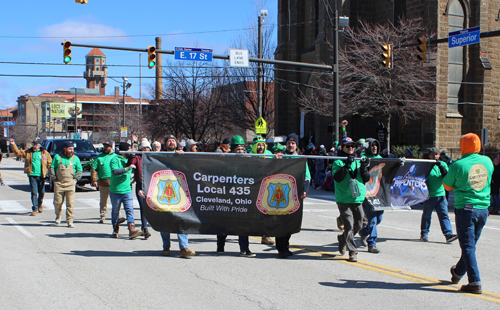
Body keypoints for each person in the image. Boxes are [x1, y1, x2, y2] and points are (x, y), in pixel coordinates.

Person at [443, 133, 493, 294]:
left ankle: (475, 282)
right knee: (470, 246)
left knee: (468, 246)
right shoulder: (487, 162)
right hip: (483, 209)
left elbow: (447, 186)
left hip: (466, 209)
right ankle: (457, 272)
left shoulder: (458, 165)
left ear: (463, 145)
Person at [154, 135, 195, 258]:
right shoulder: (159, 156)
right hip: (163, 191)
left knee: (181, 220)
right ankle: (166, 247)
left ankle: (184, 247)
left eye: (173, 140)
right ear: (165, 144)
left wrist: (181, 157)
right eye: (168, 141)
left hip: (179, 191)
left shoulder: (181, 155)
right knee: (165, 221)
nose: (171, 142)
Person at [331, 137, 370, 262]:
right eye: (347, 146)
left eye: (352, 146)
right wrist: (347, 164)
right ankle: (353, 251)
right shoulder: (338, 161)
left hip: (357, 198)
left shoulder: (358, 160)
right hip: (343, 198)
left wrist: (364, 167)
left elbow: (366, 179)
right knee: (348, 224)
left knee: (359, 224)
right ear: (342, 148)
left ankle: (342, 239)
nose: (351, 148)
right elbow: (337, 178)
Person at [217, 135, 256, 258]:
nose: (240, 151)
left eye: (241, 149)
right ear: (232, 149)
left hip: (242, 197)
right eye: (237, 149)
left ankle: (244, 249)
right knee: (224, 223)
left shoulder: (248, 161)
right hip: (227, 197)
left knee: (244, 224)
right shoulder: (224, 161)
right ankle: (220, 246)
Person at [275, 133, 311, 258]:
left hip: (295, 195)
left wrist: (305, 190)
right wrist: (274, 160)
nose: (291, 145)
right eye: (289, 143)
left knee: (291, 222)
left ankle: (286, 245)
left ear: (296, 145)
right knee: (281, 222)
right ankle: (281, 248)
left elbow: (307, 176)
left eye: (293, 143)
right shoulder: (280, 157)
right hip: (280, 195)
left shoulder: (301, 159)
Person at [420, 147, 458, 243]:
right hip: (429, 195)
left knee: (444, 215)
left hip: (441, 194)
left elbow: (446, 175)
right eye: (433, 154)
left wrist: (440, 165)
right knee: (427, 215)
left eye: (437, 154)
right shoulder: (426, 165)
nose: (435, 156)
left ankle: (448, 234)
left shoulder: (443, 164)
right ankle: (424, 233)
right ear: (429, 155)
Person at [10, 138, 52, 216]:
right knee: (34, 192)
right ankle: (35, 208)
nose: (34, 146)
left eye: (35, 145)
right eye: (33, 144)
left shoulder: (44, 153)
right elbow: (18, 153)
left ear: (39, 145)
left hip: (41, 175)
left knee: (42, 192)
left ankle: (40, 204)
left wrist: (50, 173)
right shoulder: (28, 152)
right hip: (32, 175)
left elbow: (50, 163)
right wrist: (13, 144)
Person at [109, 142, 142, 239]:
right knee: (115, 211)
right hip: (116, 190)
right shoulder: (115, 159)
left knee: (130, 210)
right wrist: (128, 168)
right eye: (129, 149)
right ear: (123, 151)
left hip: (127, 190)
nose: (130, 151)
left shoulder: (129, 160)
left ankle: (131, 229)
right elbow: (115, 172)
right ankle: (115, 228)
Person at [359, 138, 384, 253]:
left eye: (376, 145)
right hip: (367, 193)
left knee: (379, 219)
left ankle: (364, 232)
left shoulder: (380, 159)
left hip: (379, 193)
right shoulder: (362, 158)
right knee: (373, 219)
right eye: (372, 145)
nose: (374, 147)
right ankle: (372, 243)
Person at [250, 135, 275, 246]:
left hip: (266, 187)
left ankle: (265, 236)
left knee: (266, 212)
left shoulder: (269, 154)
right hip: (252, 188)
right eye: (258, 145)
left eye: (262, 144)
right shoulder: (249, 155)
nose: (260, 147)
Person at [50, 141, 82, 227]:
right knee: (57, 202)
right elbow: (52, 167)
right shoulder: (57, 157)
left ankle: (70, 220)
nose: (71, 151)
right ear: (65, 149)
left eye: (72, 149)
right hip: (59, 183)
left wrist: (76, 179)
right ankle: (58, 216)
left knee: (70, 203)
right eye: (69, 149)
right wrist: (54, 178)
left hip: (70, 184)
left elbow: (79, 170)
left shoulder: (75, 158)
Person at [91, 141, 121, 223]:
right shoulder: (99, 157)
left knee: (116, 200)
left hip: (114, 182)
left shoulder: (116, 157)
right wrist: (94, 180)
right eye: (104, 146)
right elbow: (94, 169)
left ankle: (118, 215)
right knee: (103, 200)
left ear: (111, 147)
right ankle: (103, 215)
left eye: (107, 146)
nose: (105, 148)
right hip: (103, 182)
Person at [128, 139, 152, 239]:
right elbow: (131, 163)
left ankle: (144, 225)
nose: (146, 149)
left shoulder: (152, 158)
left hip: (151, 185)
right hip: (140, 185)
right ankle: (145, 228)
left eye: (147, 148)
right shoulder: (137, 157)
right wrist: (132, 157)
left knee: (150, 207)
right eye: (144, 148)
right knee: (143, 207)